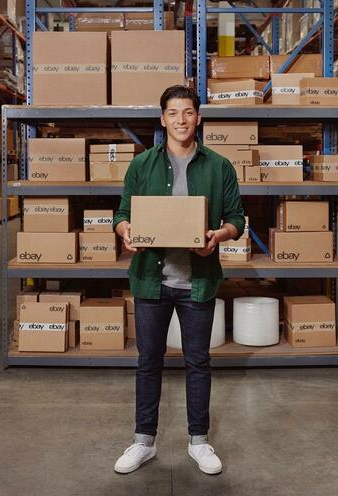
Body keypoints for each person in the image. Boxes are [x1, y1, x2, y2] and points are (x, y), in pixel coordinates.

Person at [112, 85, 245, 475]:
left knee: (198, 362)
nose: (181, 120)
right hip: (151, 282)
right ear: (162, 119)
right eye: (173, 113)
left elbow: (237, 219)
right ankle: (143, 442)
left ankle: (199, 442)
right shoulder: (141, 165)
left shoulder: (219, 166)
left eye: (188, 112)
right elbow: (121, 212)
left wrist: (219, 237)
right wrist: (125, 231)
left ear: (198, 118)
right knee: (148, 362)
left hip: (197, 281)